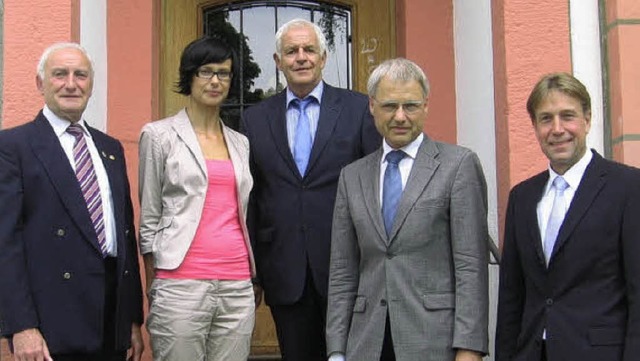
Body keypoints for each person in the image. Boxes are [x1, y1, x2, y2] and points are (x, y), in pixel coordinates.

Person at [325, 58, 489, 361]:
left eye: (410, 106)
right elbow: (342, 271)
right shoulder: (352, 176)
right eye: (390, 106)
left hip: (434, 341)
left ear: (426, 106)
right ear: (372, 106)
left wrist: (469, 348)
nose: (400, 116)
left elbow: (471, 266)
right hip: (367, 342)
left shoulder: (458, 166)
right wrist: (336, 350)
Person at [241, 18, 381, 361]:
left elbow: (375, 186)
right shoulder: (254, 119)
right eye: (291, 51)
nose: (300, 57)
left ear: (323, 57)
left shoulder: (359, 109)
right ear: (278, 61)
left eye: (309, 50)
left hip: (350, 268)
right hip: (286, 270)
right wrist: (254, 272)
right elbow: (252, 200)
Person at [0, 43, 144, 361]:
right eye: (59, 74)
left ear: (90, 84)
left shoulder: (110, 148)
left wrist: (131, 319)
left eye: (80, 75)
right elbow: (5, 243)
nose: (70, 83)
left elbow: (125, 237)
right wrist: (21, 325)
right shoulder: (13, 146)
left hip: (111, 319)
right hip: (52, 324)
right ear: (40, 84)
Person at [495, 72, 640, 361]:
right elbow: (512, 297)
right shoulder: (522, 197)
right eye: (546, 118)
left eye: (568, 116)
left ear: (587, 120)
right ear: (535, 126)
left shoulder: (628, 187)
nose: (557, 129)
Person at [138, 36, 256, 361]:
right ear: (189, 76)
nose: (216, 81)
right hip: (179, 285)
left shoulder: (240, 142)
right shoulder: (159, 136)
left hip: (237, 284)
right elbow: (148, 221)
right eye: (206, 71)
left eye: (224, 73)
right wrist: (155, 287)